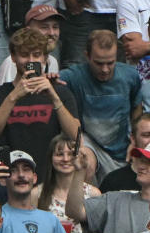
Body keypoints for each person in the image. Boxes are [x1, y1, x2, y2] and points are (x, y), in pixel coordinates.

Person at [0, 27, 81, 169]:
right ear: (13, 56)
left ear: (44, 58)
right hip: (9, 175)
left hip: (48, 177)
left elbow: (77, 137)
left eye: (36, 55)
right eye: (24, 55)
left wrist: (55, 98)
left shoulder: (60, 93)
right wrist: (13, 97)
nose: (30, 60)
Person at [59, 30, 142, 180]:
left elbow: (137, 109)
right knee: (84, 162)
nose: (105, 69)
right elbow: (49, 81)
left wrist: (135, 139)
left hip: (122, 146)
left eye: (110, 63)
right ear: (87, 56)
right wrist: (50, 78)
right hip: (91, 143)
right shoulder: (74, 76)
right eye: (98, 63)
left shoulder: (130, 76)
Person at [0, 5, 63, 84]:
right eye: (44, 27)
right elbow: (4, 95)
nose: (51, 33)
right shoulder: (13, 63)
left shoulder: (53, 61)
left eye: (55, 27)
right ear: (28, 30)